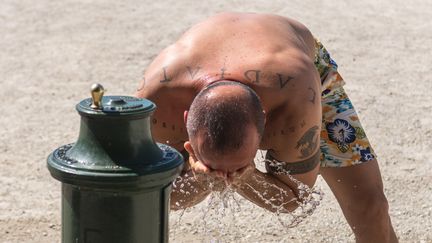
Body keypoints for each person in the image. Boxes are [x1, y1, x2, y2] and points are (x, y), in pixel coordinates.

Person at [135, 12, 397, 242]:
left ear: (266, 124)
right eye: (217, 167)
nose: (227, 177)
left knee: (369, 206)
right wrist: (202, 180)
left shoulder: (296, 103)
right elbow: (153, 198)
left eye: (239, 166)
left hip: (298, 70)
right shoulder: (156, 103)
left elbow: (295, 198)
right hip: (220, 64)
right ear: (185, 124)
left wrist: (248, 177)